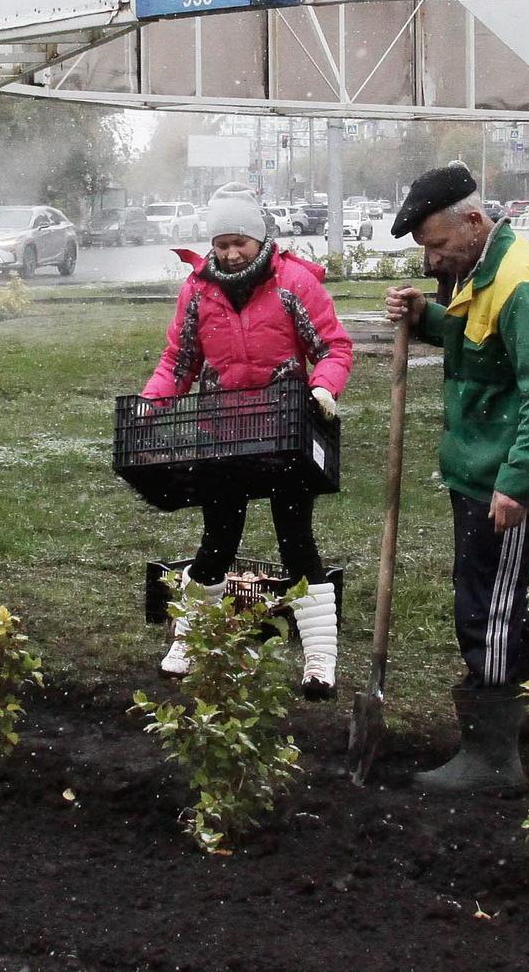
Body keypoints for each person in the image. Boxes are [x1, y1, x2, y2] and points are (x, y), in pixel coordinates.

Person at [380, 163, 529, 794]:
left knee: (485, 610)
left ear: (473, 220)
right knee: (493, 597)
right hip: (478, 470)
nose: (433, 259)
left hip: (504, 480)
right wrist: (424, 316)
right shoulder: (481, 273)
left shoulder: (518, 284)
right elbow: (475, 345)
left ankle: (492, 758)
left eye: (437, 246)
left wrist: (517, 482)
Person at [143, 185, 357, 697]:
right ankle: (191, 641)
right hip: (222, 433)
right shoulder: (197, 291)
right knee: (217, 541)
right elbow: (180, 360)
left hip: (285, 435)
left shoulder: (294, 284)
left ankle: (320, 659)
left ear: (259, 239)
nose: (231, 253)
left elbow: (333, 346)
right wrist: (155, 400)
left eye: (239, 241)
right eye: (221, 243)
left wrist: (325, 385)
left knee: (296, 542)